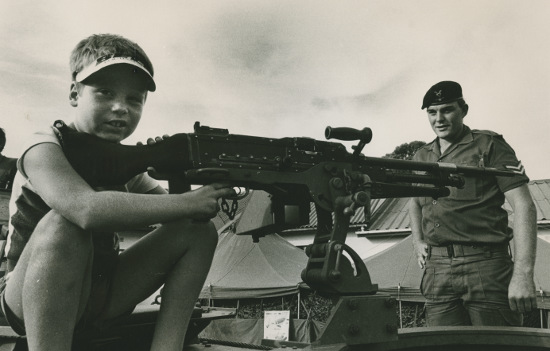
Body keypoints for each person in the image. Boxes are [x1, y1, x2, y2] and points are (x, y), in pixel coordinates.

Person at [1, 34, 235, 351]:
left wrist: (174, 175)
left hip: (101, 295)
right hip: (27, 302)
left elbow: (181, 218)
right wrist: (189, 201)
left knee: (200, 231)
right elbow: (86, 209)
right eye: (105, 93)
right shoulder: (44, 144)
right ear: (74, 93)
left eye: (134, 99)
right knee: (64, 223)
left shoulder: (125, 166)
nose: (120, 107)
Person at [409, 81, 537, 327]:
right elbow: (414, 201)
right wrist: (417, 240)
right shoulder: (421, 155)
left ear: (463, 109)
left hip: (486, 267)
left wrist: (523, 274)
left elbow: (524, 206)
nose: (439, 119)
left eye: (447, 109)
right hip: (437, 271)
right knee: (441, 347)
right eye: (432, 112)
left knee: (495, 345)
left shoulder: (489, 145)